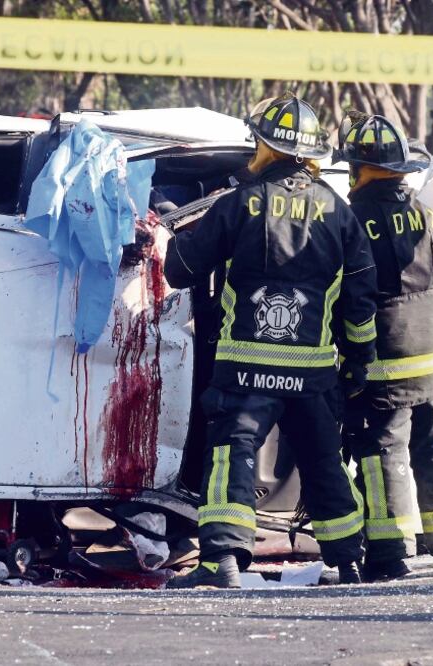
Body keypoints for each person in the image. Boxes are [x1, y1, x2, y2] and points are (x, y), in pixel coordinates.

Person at [163, 93, 377, 588]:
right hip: (314, 371)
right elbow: (360, 297)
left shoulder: (238, 203)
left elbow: (180, 269)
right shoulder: (338, 211)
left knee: (231, 457)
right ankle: (347, 561)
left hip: (244, 369)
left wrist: (179, 230)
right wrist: (357, 361)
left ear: (264, 145)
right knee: (324, 461)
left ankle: (223, 563)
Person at [335, 111, 433, 582]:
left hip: (386, 354)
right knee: (430, 445)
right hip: (430, 351)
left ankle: (389, 550)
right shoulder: (422, 213)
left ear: (360, 168)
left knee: (382, 446)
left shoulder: (354, 219)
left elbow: (356, 296)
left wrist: (355, 362)